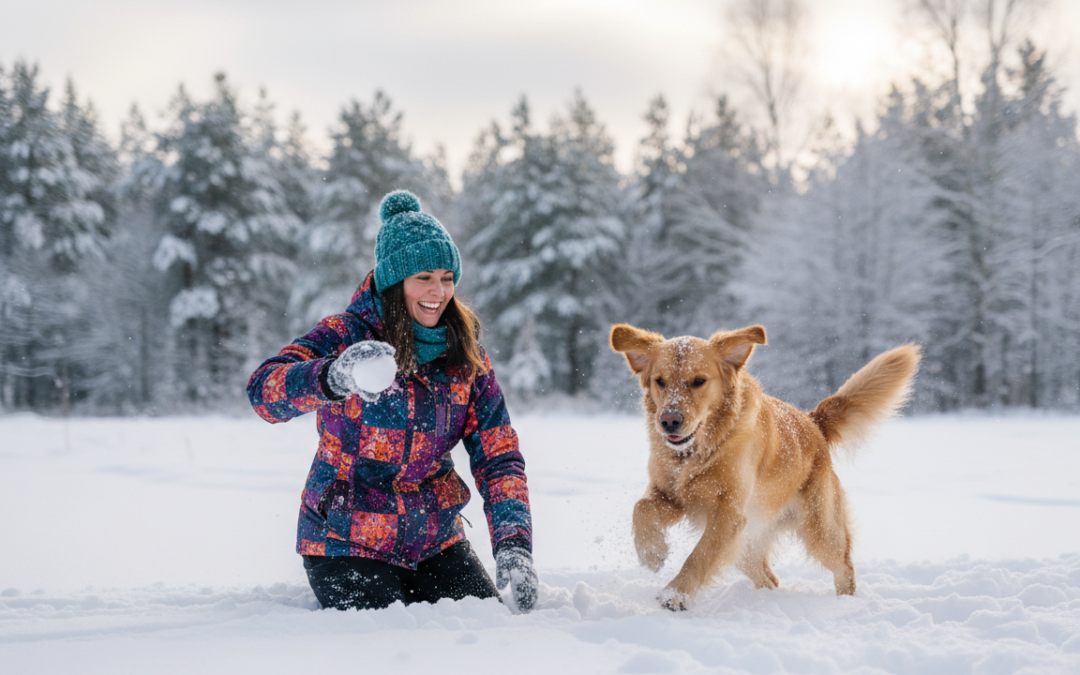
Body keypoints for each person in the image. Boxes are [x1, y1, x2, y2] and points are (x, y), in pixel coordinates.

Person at [247, 190, 537, 612]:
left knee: (484, 625)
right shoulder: (346, 334)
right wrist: (334, 376)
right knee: (390, 635)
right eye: (423, 277)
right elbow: (263, 391)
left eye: (447, 277)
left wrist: (514, 544)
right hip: (345, 542)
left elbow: (498, 455)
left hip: (435, 541)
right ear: (394, 281)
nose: (438, 291)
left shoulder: (464, 353)